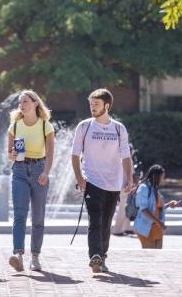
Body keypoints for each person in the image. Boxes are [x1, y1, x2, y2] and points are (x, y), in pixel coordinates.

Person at [71, 88, 134, 273]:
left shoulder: (118, 128)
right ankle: (95, 256)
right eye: (91, 104)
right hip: (92, 181)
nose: (92, 107)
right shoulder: (84, 126)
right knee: (95, 221)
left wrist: (128, 178)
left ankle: (102, 256)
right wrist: (80, 178)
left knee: (106, 223)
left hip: (113, 183)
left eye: (96, 104)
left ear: (107, 106)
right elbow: (75, 155)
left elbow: (126, 156)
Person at [7, 90, 55, 272]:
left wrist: (46, 172)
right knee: (20, 214)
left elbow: (50, 153)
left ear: (35, 103)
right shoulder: (15, 126)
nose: (22, 105)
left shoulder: (45, 126)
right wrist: (12, 154)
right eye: (20, 102)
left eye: (25, 101)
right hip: (19, 170)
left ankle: (35, 256)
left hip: (39, 170)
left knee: (38, 216)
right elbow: (9, 154)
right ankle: (18, 255)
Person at [133, 164, 181, 249]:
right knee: (149, 257)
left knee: (157, 257)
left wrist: (169, 204)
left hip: (157, 229)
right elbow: (144, 210)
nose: (163, 179)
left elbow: (155, 208)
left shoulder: (154, 189)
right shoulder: (143, 188)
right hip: (146, 228)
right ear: (156, 176)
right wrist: (159, 222)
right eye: (162, 177)